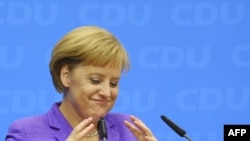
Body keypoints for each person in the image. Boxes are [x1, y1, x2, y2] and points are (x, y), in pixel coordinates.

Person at [5, 26, 158, 141]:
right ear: (66, 76)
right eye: (95, 80)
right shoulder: (26, 133)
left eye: (113, 83)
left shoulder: (129, 130)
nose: (106, 92)